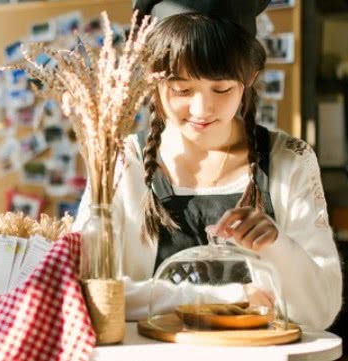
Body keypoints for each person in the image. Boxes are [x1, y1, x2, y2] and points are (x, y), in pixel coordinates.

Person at [73, 0, 342, 330]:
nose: (202, 108)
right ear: (152, 81)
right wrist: (230, 297)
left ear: (250, 78)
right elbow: (90, 291)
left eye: (222, 88)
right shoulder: (118, 163)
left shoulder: (290, 160)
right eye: (182, 89)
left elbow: (320, 312)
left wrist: (277, 246)